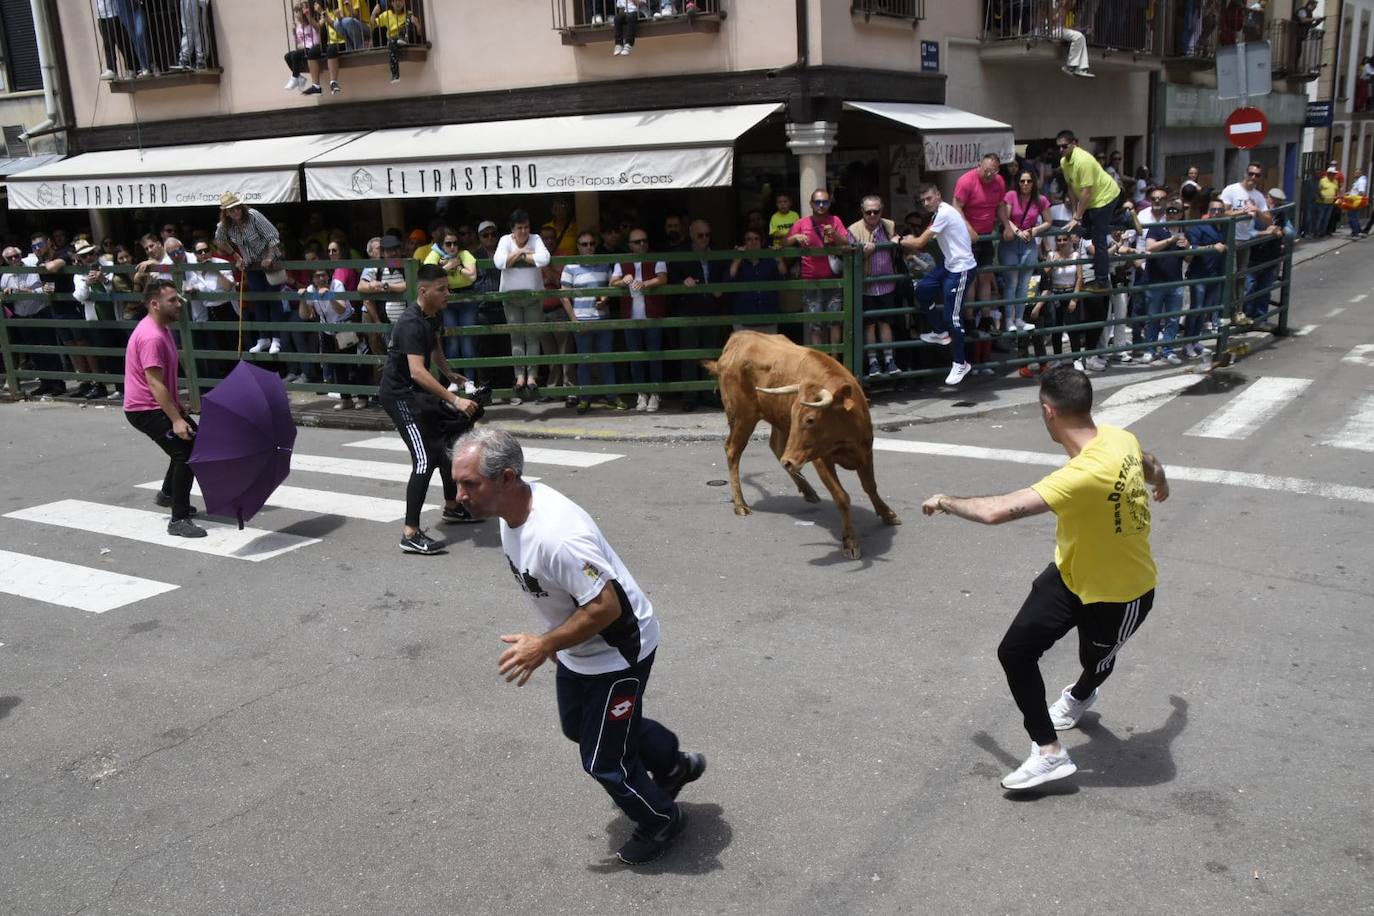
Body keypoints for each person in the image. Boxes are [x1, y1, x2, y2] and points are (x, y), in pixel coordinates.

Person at [449, 426, 706, 865]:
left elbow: (605, 607)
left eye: (469, 484)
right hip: (578, 645)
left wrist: (543, 644)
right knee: (578, 727)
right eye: (458, 483)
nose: (459, 496)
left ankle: (661, 820)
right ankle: (672, 763)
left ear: (507, 478)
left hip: (618, 651)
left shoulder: (558, 535)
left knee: (602, 759)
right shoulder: (512, 511)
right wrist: (554, 641)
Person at [920, 366, 1169, 791]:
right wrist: (1160, 478)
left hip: (1121, 592)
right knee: (1015, 652)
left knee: (1095, 662)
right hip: (1070, 574)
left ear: (1048, 411)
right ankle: (1049, 752)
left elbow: (995, 512)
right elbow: (1148, 462)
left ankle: (1080, 695)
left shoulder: (1082, 474)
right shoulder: (1119, 437)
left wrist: (944, 500)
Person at [377, 264, 482, 555]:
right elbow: (417, 371)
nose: (448, 293)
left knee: (447, 444)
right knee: (424, 459)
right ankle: (410, 533)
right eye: (441, 289)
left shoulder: (434, 313)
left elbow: (434, 345)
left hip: (417, 393)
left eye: (448, 288)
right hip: (399, 395)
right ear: (423, 291)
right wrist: (455, 400)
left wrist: (448, 372)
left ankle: (453, 506)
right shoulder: (410, 323)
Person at [124, 280, 206, 538]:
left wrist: (178, 408)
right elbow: (154, 383)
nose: (179, 304)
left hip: (156, 403)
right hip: (144, 409)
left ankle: (169, 494)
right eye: (172, 300)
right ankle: (178, 520)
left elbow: (163, 381)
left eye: (178, 299)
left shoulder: (162, 329)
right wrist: (176, 419)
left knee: (193, 443)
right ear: (155, 304)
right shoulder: (151, 336)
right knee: (186, 453)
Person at [901, 183, 977, 386]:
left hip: (961, 268)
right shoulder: (938, 214)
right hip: (949, 265)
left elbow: (919, 243)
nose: (926, 203)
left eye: (929, 198)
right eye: (923, 201)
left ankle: (961, 362)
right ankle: (940, 332)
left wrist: (899, 240)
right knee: (922, 290)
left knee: (953, 317)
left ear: (938, 195)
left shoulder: (944, 213)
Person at [493, 209, 552, 402]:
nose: (524, 231)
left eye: (526, 227)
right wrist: (521, 252)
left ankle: (532, 376)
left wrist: (517, 257)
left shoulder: (536, 239)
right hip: (510, 297)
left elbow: (544, 259)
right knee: (516, 337)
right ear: (512, 229)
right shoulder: (504, 240)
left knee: (532, 336)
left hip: (533, 296)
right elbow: (499, 262)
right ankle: (519, 376)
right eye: (520, 228)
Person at [215, 192, 284, 354]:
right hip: (251, 265)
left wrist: (269, 257)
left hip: (269, 263)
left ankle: (277, 339)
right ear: (226, 212)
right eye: (231, 210)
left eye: (237, 208)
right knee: (258, 301)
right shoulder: (225, 225)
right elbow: (220, 240)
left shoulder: (253, 215)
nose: (236, 212)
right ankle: (263, 338)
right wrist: (236, 255)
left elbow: (273, 237)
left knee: (273, 300)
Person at [561, 232, 619, 414]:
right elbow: (564, 295)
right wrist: (574, 320)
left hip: (602, 319)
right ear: (578, 246)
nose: (589, 247)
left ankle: (612, 397)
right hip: (582, 320)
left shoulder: (604, 264)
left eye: (592, 244)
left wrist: (605, 298)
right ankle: (585, 398)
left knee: (607, 360)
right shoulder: (570, 266)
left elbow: (613, 284)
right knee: (584, 361)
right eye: (584, 244)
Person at [610, 228, 667, 412]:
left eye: (644, 240)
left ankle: (655, 393)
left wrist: (645, 283)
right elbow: (613, 282)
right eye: (637, 242)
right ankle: (641, 394)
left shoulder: (656, 258)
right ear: (630, 245)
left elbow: (662, 278)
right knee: (636, 358)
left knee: (654, 356)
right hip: (631, 318)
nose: (642, 244)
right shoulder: (622, 260)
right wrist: (624, 280)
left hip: (652, 316)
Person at [1057, 130, 1122, 292]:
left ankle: (1102, 281)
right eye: (1059, 147)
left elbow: (1086, 193)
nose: (1061, 149)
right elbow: (1071, 189)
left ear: (1074, 144)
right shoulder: (1064, 162)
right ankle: (1124, 217)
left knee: (1098, 240)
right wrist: (1075, 213)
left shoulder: (1083, 161)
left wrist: (1077, 217)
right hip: (1092, 202)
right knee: (1086, 233)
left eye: (1064, 146)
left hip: (1105, 197)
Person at [786, 188, 851, 348]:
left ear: (829, 203)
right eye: (817, 202)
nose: (821, 205)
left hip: (833, 280)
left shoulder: (835, 220)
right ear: (811, 204)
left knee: (835, 323)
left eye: (825, 202)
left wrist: (834, 234)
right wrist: (796, 237)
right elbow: (783, 243)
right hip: (811, 281)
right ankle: (820, 359)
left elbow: (847, 243)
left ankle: (834, 359)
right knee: (815, 326)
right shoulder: (801, 223)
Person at [848, 195, 902, 377]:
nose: (872, 215)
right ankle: (873, 363)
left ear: (881, 211)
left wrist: (897, 240)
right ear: (862, 211)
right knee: (869, 324)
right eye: (868, 212)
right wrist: (864, 253)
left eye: (876, 211)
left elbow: (898, 241)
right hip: (866, 286)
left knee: (885, 323)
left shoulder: (889, 225)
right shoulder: (853, 230)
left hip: (887, 284)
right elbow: (849, 258)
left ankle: (889, 360)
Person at [998, 170, 1052, 333]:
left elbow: (1048, 221)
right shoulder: (1010, 195)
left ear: (1034, 182)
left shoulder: (1041, 199)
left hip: (1029, 242)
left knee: (1024, 284)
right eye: (1022, 181)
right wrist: (1017, 232)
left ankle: (1020, 319)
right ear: (1018, 182)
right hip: (1010, 242)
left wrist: (1035, 230)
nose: (1026, 184)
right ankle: (1009, 320)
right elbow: (1005, 217)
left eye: (1029, 181)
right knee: (1011, 283)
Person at [1219, 163, 1273, 322]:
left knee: (1241, 276)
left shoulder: (1258, 196)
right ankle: (1226, 313)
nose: (1253, 177)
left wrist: (1257, 211)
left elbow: (1268, 219)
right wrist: (1242, 211)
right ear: (1245, 173)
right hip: (1230, 238)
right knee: (1230, 275)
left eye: (1257, 175)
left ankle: (1239, 311)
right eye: (1251, 174)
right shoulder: (1231, 189)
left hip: (1245, 239)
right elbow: (1222, 212)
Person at [728, 228, 781, 335]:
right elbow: (729, 280)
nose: (753, 242)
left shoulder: (770, 261)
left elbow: (783, 277)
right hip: (744, 320)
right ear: (744, 243)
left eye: (757, 239)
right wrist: (737, 260)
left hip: (768, 319)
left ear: (762, 242)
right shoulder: (739, 262)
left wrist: (779, 259)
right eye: (749, 239)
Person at [373, 0, 423, 83]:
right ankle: (395, 74)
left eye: (401, 1)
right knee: (392, 42)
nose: (398, 3)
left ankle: (403, 38)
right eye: (396, 1)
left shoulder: (408, 14)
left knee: (409, 18)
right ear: (392, 3)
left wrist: (417, 24)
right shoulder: (387, 14)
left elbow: (420, 33)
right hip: (393, 41)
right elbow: (373, 24)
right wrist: (374, 13)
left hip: (406, 39)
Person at [1049, 0, 1094, 78]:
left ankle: (1082, 68)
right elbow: (1059, 24)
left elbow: (1071, 27)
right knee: (1079, 37)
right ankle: (1070, 66)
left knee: (1081, 37)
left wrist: (1082, 29)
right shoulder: (1063, 8)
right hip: (1056, 31)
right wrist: (1078, 29)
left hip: (1061, 31)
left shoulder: (1071, 12)